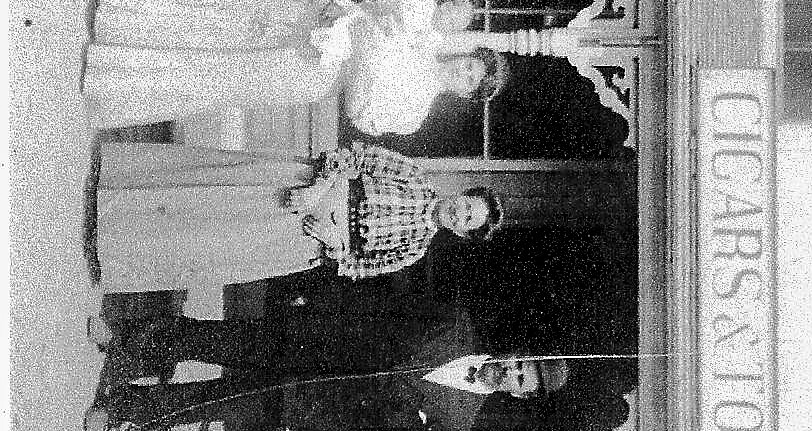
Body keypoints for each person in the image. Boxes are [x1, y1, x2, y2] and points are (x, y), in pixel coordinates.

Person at [95, 294, 570, 431]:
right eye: (522, 364)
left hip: (313, 406)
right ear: (518, 352)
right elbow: (376, 304)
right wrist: (316, 306)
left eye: (521, 381)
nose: (512, 373)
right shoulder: (454, 322)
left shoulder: (456, 425)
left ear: (519, 395)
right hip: (313, 340)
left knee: (215, 403)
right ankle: (127, 342)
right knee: (218, 340)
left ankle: (123, 409)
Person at [82, 0, 505, 138]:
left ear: (465, 94)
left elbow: (360, 114)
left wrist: (366, 57)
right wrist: (369, 27)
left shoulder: (414, 112)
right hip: (320, 23)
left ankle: (112, 75)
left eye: (470, 80)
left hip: (315, 73)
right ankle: (121, 18)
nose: (463, 72)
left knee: (223, 76)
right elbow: (380, 3)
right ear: (466, 53)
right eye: (470, 64)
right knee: (233, 23)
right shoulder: (426, 31)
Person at [93, 139, 504, 296]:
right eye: (467, 205)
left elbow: (358, 267)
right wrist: (317, 189)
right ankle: (116, 192)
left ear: (461, 233)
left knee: (213, 240)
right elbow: (355, 156)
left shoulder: (414, 250)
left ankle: (114, 243)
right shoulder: (412, 176)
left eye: (467, 220)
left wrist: (331, 240)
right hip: (306, 188)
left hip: (305, 237)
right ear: (462, 194)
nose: (460, 213)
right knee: (214, 195)